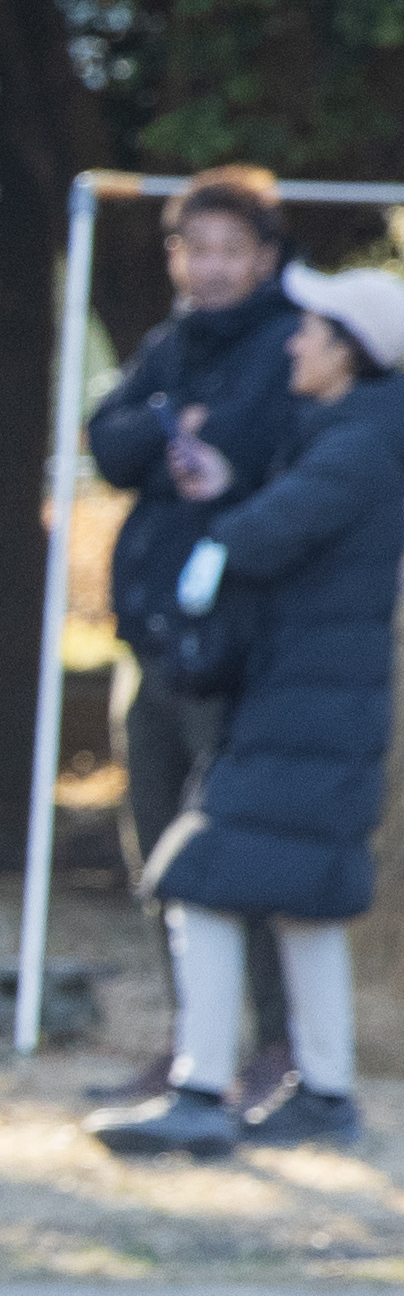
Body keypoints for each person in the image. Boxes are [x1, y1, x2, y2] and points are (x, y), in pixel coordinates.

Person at [88, 264, 404, 1161]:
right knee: (304, 904)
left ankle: (199, 1086)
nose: (293, 343)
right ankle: (326, 1093)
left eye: (311, 333)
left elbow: (268, 533)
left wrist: (211, 550)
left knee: (199, 881)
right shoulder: (350, 430)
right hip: (313, 704)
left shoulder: (354, 444)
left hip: (302, 707)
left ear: (349, 352)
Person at [84, 165, 304, 1108]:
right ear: (173, 258)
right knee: (157, 850)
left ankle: (271, 1046)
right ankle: (189, 1041)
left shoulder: (293, 348)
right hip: (150, 638)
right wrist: (169, 430)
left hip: (242, 646)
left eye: (229, 250)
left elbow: (275, 461)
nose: (210, 268)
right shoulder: (167, 348)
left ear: (262, 257)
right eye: (194, 249)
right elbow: (111, 441)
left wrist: (219, 465)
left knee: (238, 848)